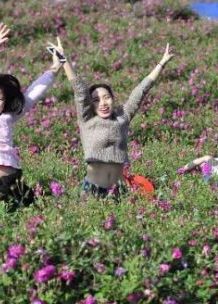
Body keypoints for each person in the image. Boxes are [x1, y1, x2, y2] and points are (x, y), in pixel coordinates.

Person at [0, 23, 60, 218]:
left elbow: (32, 94)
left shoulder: (8, 117)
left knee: (37, 222)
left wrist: (55, 68)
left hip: (14, 181)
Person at [57, 39, 174, 197]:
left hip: (120, 188)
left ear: (113, 99)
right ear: (90, 105)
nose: (103, 103)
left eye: (106, 97)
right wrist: (63, 59)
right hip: (92, 188)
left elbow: (141, 91)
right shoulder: (87, 120)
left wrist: (161, 63)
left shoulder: (122, 117)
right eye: (96, 100)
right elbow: (79, 89)